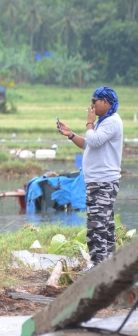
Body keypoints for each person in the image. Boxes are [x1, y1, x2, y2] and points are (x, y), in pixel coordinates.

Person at [58, 86, 123, 272]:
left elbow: (93, 140)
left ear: (105, 102)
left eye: (94, 101)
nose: (91, 105)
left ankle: (98, 266)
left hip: (103, 182)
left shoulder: (111, 122)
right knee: (105, 224)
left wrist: (89, 122)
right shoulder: (104, 121)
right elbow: (88, 145)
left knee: (96, 225)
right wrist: (70, 135)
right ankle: (110, 264)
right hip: (98, 181)